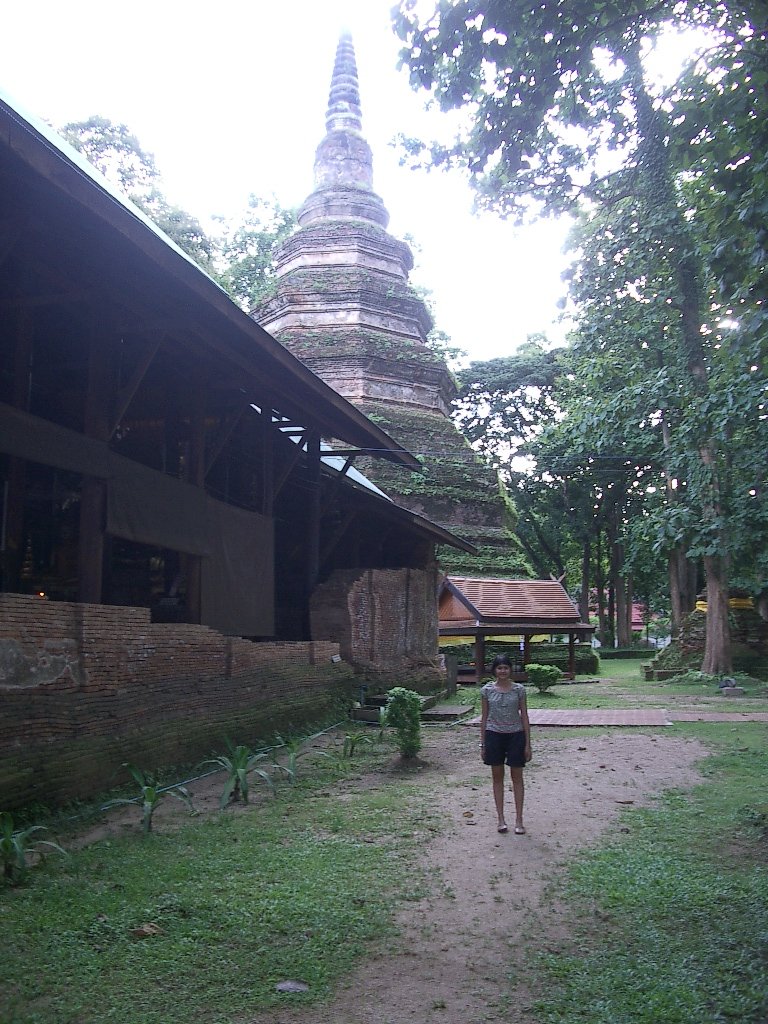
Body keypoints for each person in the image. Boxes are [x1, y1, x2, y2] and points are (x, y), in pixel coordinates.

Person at [479, 654, 532, 834]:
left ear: (510, 670)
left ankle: (519, 819)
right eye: (499, 668)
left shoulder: (519, 690)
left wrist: (528, 744)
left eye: (506, 668)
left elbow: (524, 715)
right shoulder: (487, 690)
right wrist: (483, 743)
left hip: (516, 735)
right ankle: (501, 819)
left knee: (517, 776)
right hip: (494, 735)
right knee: (497, 776)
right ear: (494, 670)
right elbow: (484, 717)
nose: (503, 671)